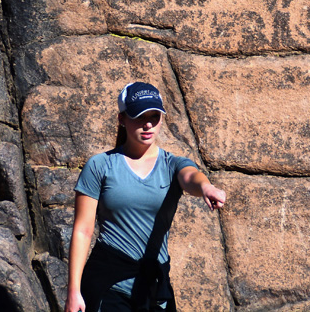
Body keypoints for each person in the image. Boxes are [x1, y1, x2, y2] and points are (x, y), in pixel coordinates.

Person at [66, 81, 227, 312]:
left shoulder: (172, 164)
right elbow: (83, 230)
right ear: (122, 118)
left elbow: (191, 177)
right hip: (109, 284)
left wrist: (207, 188)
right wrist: (74, 291)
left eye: (154, 116)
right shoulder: (100, 165)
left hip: (154, 288)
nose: (148, 124)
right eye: (139, 117)